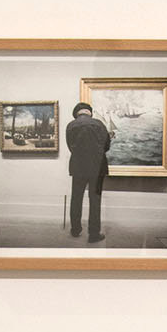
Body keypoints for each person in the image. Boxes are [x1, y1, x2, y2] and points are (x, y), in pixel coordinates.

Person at [65, 101, 110, 242]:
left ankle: (75, 229)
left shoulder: (71, 125)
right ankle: (94, 234)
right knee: (95, 199)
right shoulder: (99, 124)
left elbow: (70, 146)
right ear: (89, 112)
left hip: (78, 166)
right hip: (97, 167)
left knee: (76, 198)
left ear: (76, 113)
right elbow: (107, 146)